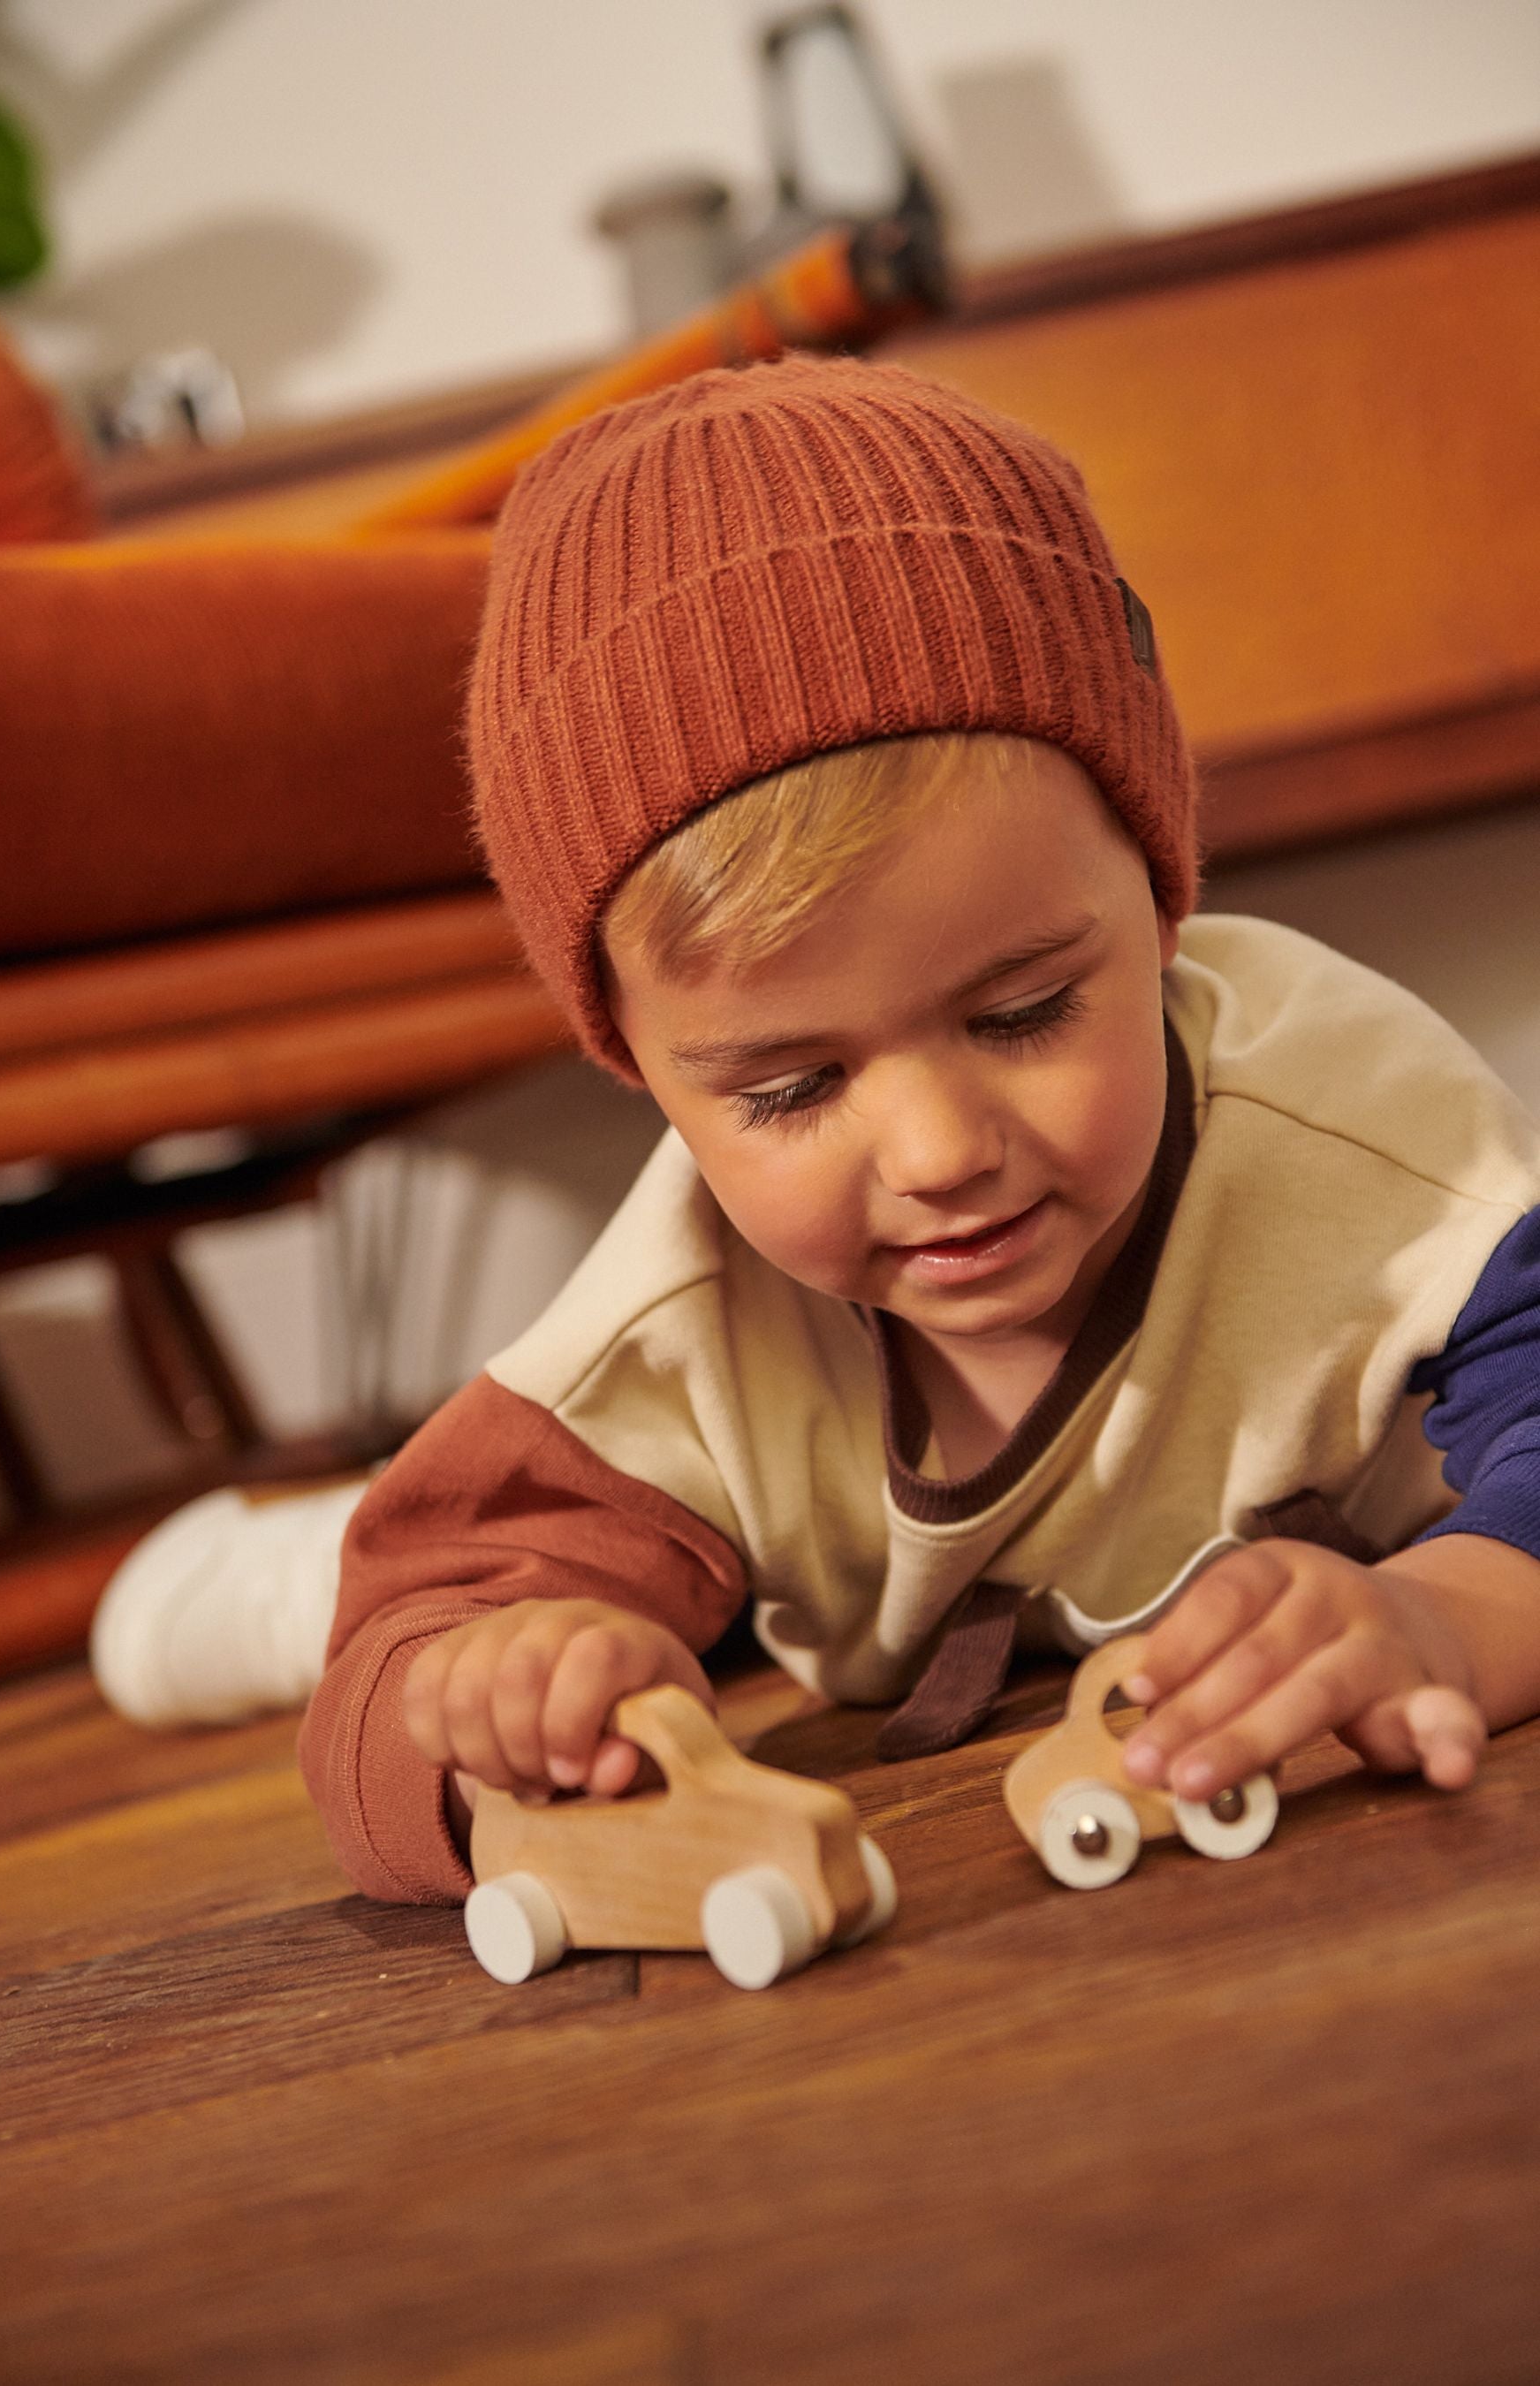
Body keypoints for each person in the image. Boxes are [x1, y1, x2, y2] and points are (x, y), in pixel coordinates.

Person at [270, 353, 1538, 1903]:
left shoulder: (1359, 1138)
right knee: (351, 1588)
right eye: (790, 1090)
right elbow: (394, 1683)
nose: (940, 1151)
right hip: (768, 1573)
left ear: (1156, 896)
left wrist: (1447, 1617)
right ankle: (259, 1568)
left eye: (1021, 1014)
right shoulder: (673, 1326)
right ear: (650, 1080)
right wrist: (499, 1705)